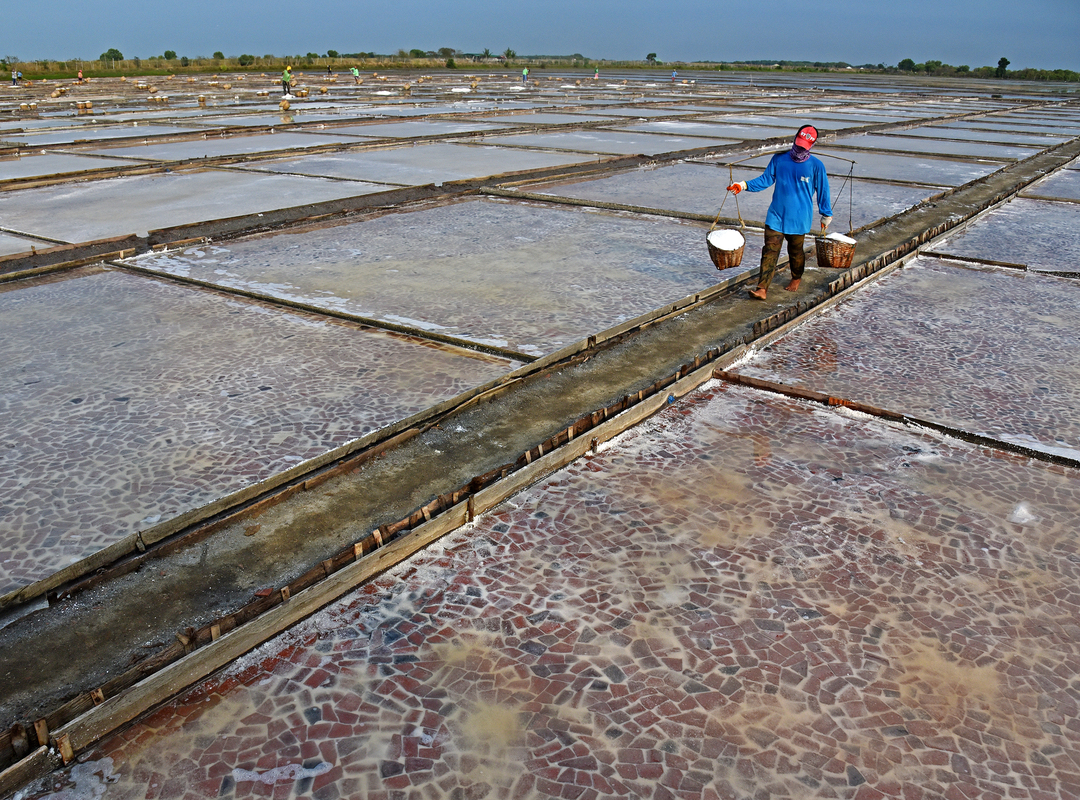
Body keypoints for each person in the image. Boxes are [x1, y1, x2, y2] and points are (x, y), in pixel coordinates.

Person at [727, 125, 832, 300]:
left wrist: (826, 214)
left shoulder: (816, 166)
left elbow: (823, 191)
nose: (799, 149)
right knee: (769, 250)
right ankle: (762, 288)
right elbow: (765, 179)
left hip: (799, 218)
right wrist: (743, 185)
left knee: (795, 252)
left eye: (804, 146)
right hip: (776, 215)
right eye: (798, 144)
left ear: (811, 146)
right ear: (795, 139)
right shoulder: (779, 159)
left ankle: (796, 278)